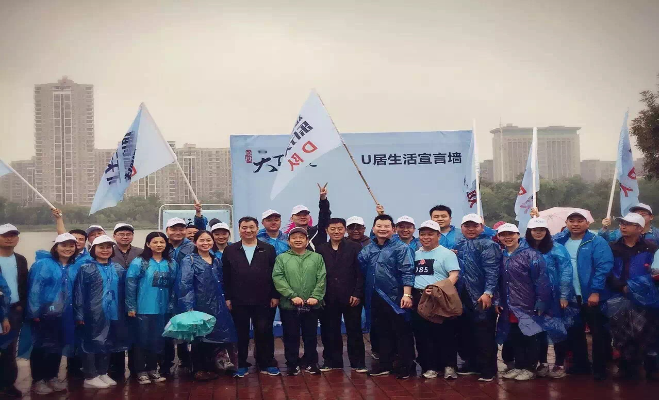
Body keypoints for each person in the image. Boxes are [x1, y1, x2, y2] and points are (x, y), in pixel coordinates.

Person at [553, 209, 614, 381]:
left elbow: (603, 267)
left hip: (591, 296)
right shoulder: (559, 241)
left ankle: (600, 368)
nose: (575, 224)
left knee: (598, 333)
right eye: (571, 221)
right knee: (575, 331)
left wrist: (595, 291)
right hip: (570, 297)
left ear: (587, 223)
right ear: (566, 223)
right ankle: (581, 365)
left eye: (580, 221)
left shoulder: (596, 242)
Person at [495, 223, 555, 381]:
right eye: (503, 235)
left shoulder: (531, 254)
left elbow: (542, 279)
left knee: (530, 336)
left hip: (529, 304)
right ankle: (519, 365)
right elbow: (499, 282)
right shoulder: (502, 256)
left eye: (511, 234)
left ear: (518, 235)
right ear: (499, 237)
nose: (507, 237)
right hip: (510, 305)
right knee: (516, 336)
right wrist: (499, 300)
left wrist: (541, 301)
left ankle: (530, 367)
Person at [221, 217, 280, 378]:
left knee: (264, 332)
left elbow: (275, 274)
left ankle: (266, 363)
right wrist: (228, 298)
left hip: (264, 299)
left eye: (251, 227)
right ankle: (240, 363)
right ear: (239, 229)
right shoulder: (230, 250)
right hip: (238, 300)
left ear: (257, 228)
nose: (248, 230)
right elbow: (226, 276)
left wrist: (275, 295)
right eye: (244, 227)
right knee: (241, 333)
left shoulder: (267, 249)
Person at [359, 214, 415, 379]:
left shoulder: (401, 248)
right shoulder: (368, 249)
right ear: (373, 228)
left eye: (386, 226)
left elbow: (407, 271)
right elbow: (362, 270)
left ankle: (406, 366)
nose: (382, 229)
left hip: (396, 297)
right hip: (374, 296)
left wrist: (407, 294)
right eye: (379, 226)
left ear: (393, 229)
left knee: (401, 332)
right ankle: (385, 364)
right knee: (381, 332)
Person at [606, 212, 659, 379]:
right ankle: (627, 368)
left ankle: (652, 369)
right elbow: (606, 270)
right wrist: (621, 287)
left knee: (648, 334)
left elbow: (655, 271)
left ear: (639, 228)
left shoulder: (650, 248)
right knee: (623, 334)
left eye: (628, 224)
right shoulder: (612, 248)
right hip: (619, 296)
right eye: (622, 223)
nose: (623, 226)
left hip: (645, 299)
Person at [27, 233, 81, 395]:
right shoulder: (43, 264)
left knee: (58, 345)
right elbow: (34, 288)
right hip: (45, 313)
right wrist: (34, 311)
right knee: (41, 346)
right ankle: (38, 379)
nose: (68, 249)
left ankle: (52, 376)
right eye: (63, 245)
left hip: (65, 313)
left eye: (71, 245)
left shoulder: (74, 266)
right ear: (56, 247)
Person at [179, 231, 237, 381]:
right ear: (195, 242)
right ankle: (198, 369)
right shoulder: (189, 260)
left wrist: (226, 300)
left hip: (217, 304)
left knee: (214, 335)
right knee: (198, 337)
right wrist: (188, 306)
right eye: (202, 240)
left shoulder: (216, 260)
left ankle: (212, 367)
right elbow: (185, 284)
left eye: (208, 240)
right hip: (198, 304)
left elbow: (222, 281)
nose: (205, 243)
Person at [523, 217, 577, 379]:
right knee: (538, 330)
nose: (538, 233)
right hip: (532, 297)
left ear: (546, 232)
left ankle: (559, 363)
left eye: (542, 230)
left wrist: (564, 295)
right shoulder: (523, 248)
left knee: (557, 328)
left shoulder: (557, 248)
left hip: (554, 297)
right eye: (535, 230)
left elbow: (566, 271)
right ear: (529, 231)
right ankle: (543, 362)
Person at [73, 235, 127, 389]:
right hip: (93, 312)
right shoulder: (86, 268)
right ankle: (90, 375)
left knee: (108, 342)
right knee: (90, 343)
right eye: (101, 247)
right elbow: (79, 292)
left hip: (113, 312)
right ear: (93, 249)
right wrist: (79, 313)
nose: (105, 250)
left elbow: (124, 291)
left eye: (108, 247)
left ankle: (103, 372)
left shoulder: (117, 268)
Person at [453, 214, 501, 382]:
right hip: (462, 294)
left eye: (475, 225)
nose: (471, 229)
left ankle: (488, 369)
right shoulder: (460, 245)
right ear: (462, 227)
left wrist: (488, 292)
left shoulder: (489, 245)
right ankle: (471, 364)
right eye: (467, 226)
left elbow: (492, 271)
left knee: (484, 333)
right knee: (466, 331)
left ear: (482, 227)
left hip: (481, 295)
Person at [273, 227, 326, 375]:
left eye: (301, 237)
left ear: (307, 241)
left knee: (311, 335)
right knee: (291, 335)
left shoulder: (317, 257)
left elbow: (322, 278)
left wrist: (315, 296)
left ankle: (311, 362)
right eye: (294, 237)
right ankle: (292, 363)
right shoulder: (282, 258)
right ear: (289, 241)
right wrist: (291, 295)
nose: (298, 240)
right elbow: (278, 278)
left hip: (312, 305)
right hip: (289, 305)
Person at [411, 220, 460, 380]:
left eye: (430, 234)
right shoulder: (416, 254)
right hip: (420, 298)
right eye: (423, 234)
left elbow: (454, 275)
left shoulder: (447, 254)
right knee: (423, 334)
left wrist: (438, 289)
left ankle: (449, 366)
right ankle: (429, 367)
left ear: (438, 235)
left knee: (445, 333)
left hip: (440, 297)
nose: (426, 237)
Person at [126, 232, 177, 385]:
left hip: (163, 309)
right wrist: (131, 306)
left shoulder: (171, 263)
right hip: (143, 308)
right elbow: (130, 284)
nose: (159, 245)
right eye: (155, 242)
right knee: (141, 340)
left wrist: (172, 306)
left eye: (162, 242)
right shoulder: (139, 262)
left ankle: (153, 369)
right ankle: (140, 371)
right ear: (148, 244)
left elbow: (175, 286)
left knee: (158, 340)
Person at [316, 218, 366, 373]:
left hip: (351, 297)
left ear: (345, 230)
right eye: (333, 229)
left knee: (354, 330)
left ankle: (358, 362)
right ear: (327, 230)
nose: (336, 232)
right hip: (328, 296)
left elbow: (360, 273)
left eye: (339, 228)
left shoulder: (355, 247)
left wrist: (357, 293)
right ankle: (332, 361)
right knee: (329, 330)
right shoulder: (320, 249)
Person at [108, 223, 142, 381]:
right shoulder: (108, 251)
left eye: (128, 234)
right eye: (121, 234)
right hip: (115, 299)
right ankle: (116, 370)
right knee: (117, 333)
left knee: (136, 333)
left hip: (136, 299)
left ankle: (136, 368)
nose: (125, 236)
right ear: (114, 236)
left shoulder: (140, 252)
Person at [163, 217, 196, 375]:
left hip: (186, 292)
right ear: (167, 230)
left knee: (186, 326)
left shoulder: (192, 247)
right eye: (174, 229)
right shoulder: (162, 245)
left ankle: (187, 359)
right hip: (164, 292)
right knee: (166, 327)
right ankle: (166, 362)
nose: (178, 232)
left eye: (181, 229)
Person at [0, 223, 28, 398]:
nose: (9, 238)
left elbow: (24, 285)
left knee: (10, 349)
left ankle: (8, 384)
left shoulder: (20, 260)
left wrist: (22, 306)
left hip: (15, 310)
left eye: (13, 235)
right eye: (5, 235)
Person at [288, 184, 331, 251]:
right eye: (298, 215)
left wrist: (323, 199)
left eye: (305, 214)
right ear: (292, 218)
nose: (302, 217)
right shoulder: (289, 236)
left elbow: (324, 215)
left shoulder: (318, 231)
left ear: (309, 217)